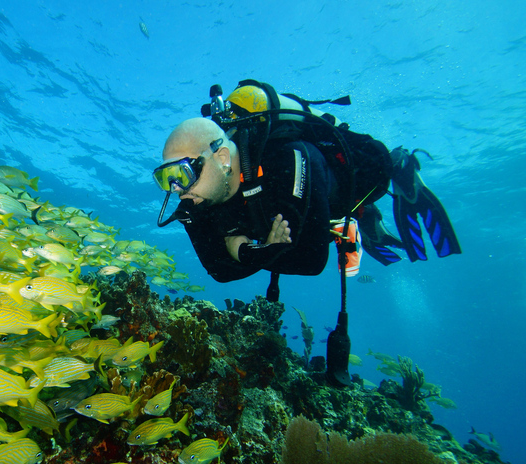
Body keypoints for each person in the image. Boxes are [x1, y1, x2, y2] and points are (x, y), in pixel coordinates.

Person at [152, 81, 461, 385]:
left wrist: (245, 249)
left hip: (349, 180)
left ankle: (398, 170)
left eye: (183, 173)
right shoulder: (196, 197)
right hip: (298, 216)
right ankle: (357, 219)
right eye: (165, 178)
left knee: (376, 172)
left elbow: (311, 260)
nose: (177, 191)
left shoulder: (287, 157)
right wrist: (257, 250)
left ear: (220, 159)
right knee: (308, 227)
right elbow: (218, 271)